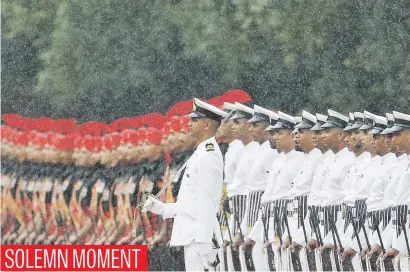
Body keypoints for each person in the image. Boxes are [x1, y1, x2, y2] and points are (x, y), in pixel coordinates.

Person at [141, 98, 227, 271]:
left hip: (200, 239)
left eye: (194, 120)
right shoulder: (200, 153)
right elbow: (191, 202)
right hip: (192, 237)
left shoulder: (208, 156)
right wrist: (162, 208)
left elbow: (207, 202)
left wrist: (204, 243)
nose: (189, 124)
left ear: (207, 125)